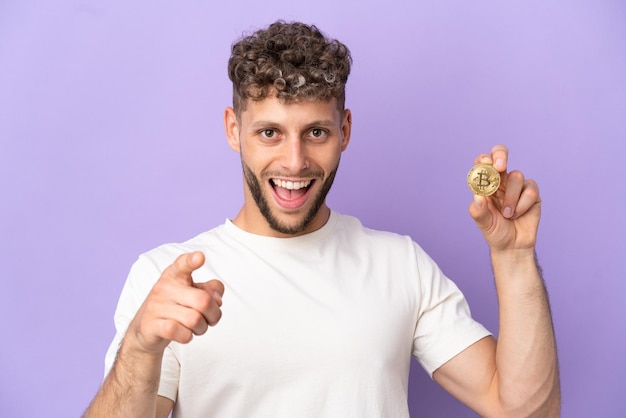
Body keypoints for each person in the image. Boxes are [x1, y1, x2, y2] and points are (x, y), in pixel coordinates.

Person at [84, 20, 560, 417]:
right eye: (269, 132)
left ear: (345, 131)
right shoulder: (166, 279)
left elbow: (525, 411)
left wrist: (514, 256)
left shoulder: (399, 264)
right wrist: (142, 348)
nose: (294, 162)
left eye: (315, 132)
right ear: (234, 129)